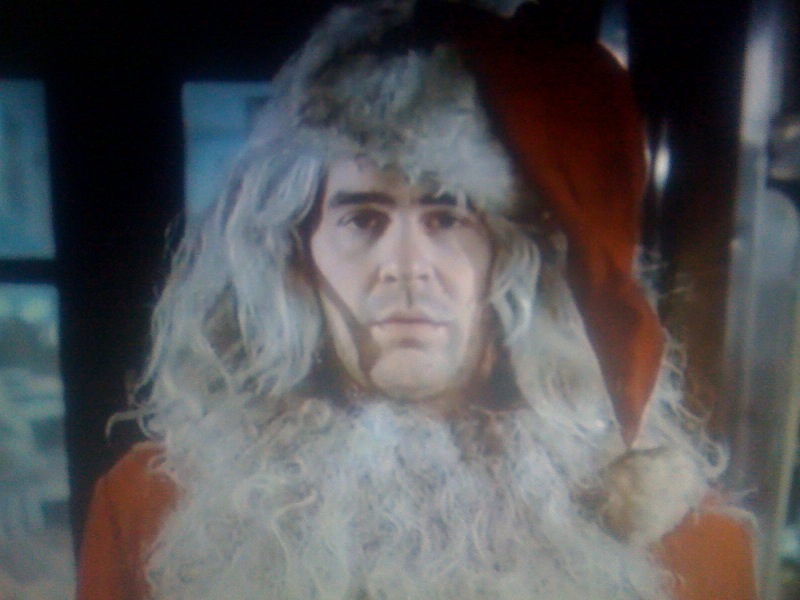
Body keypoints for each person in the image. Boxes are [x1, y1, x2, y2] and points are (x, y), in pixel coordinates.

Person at [76, 1, 758, 598]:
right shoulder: (155, 510)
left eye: (448, 216)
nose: (406, 269)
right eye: (362, 220)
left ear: (515, 257)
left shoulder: (689, 544)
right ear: (292, 255)